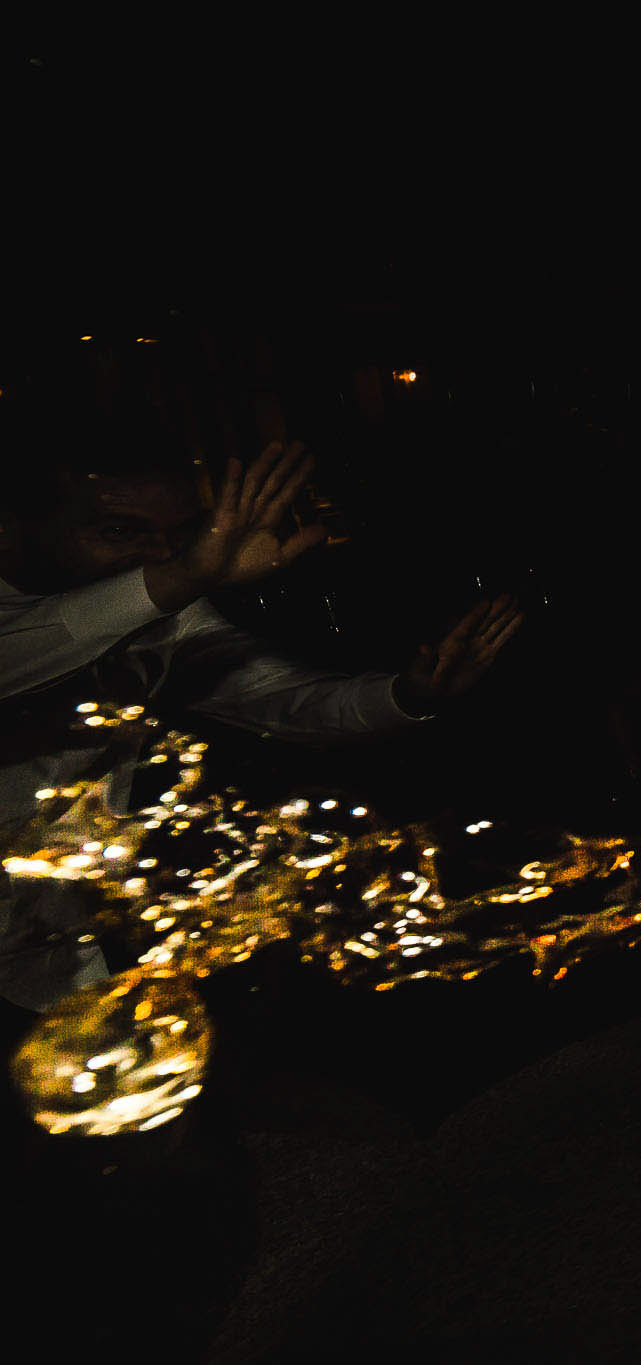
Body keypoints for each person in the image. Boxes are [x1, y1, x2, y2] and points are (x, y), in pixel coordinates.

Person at [0, 416, 522, 1014]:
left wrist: (410, 695)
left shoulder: (163, 616)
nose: (167, 554)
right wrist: (179, 577)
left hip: (62, 963)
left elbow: (282, 698)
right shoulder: (129, 598)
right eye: (121, 531)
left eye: (182, 535)